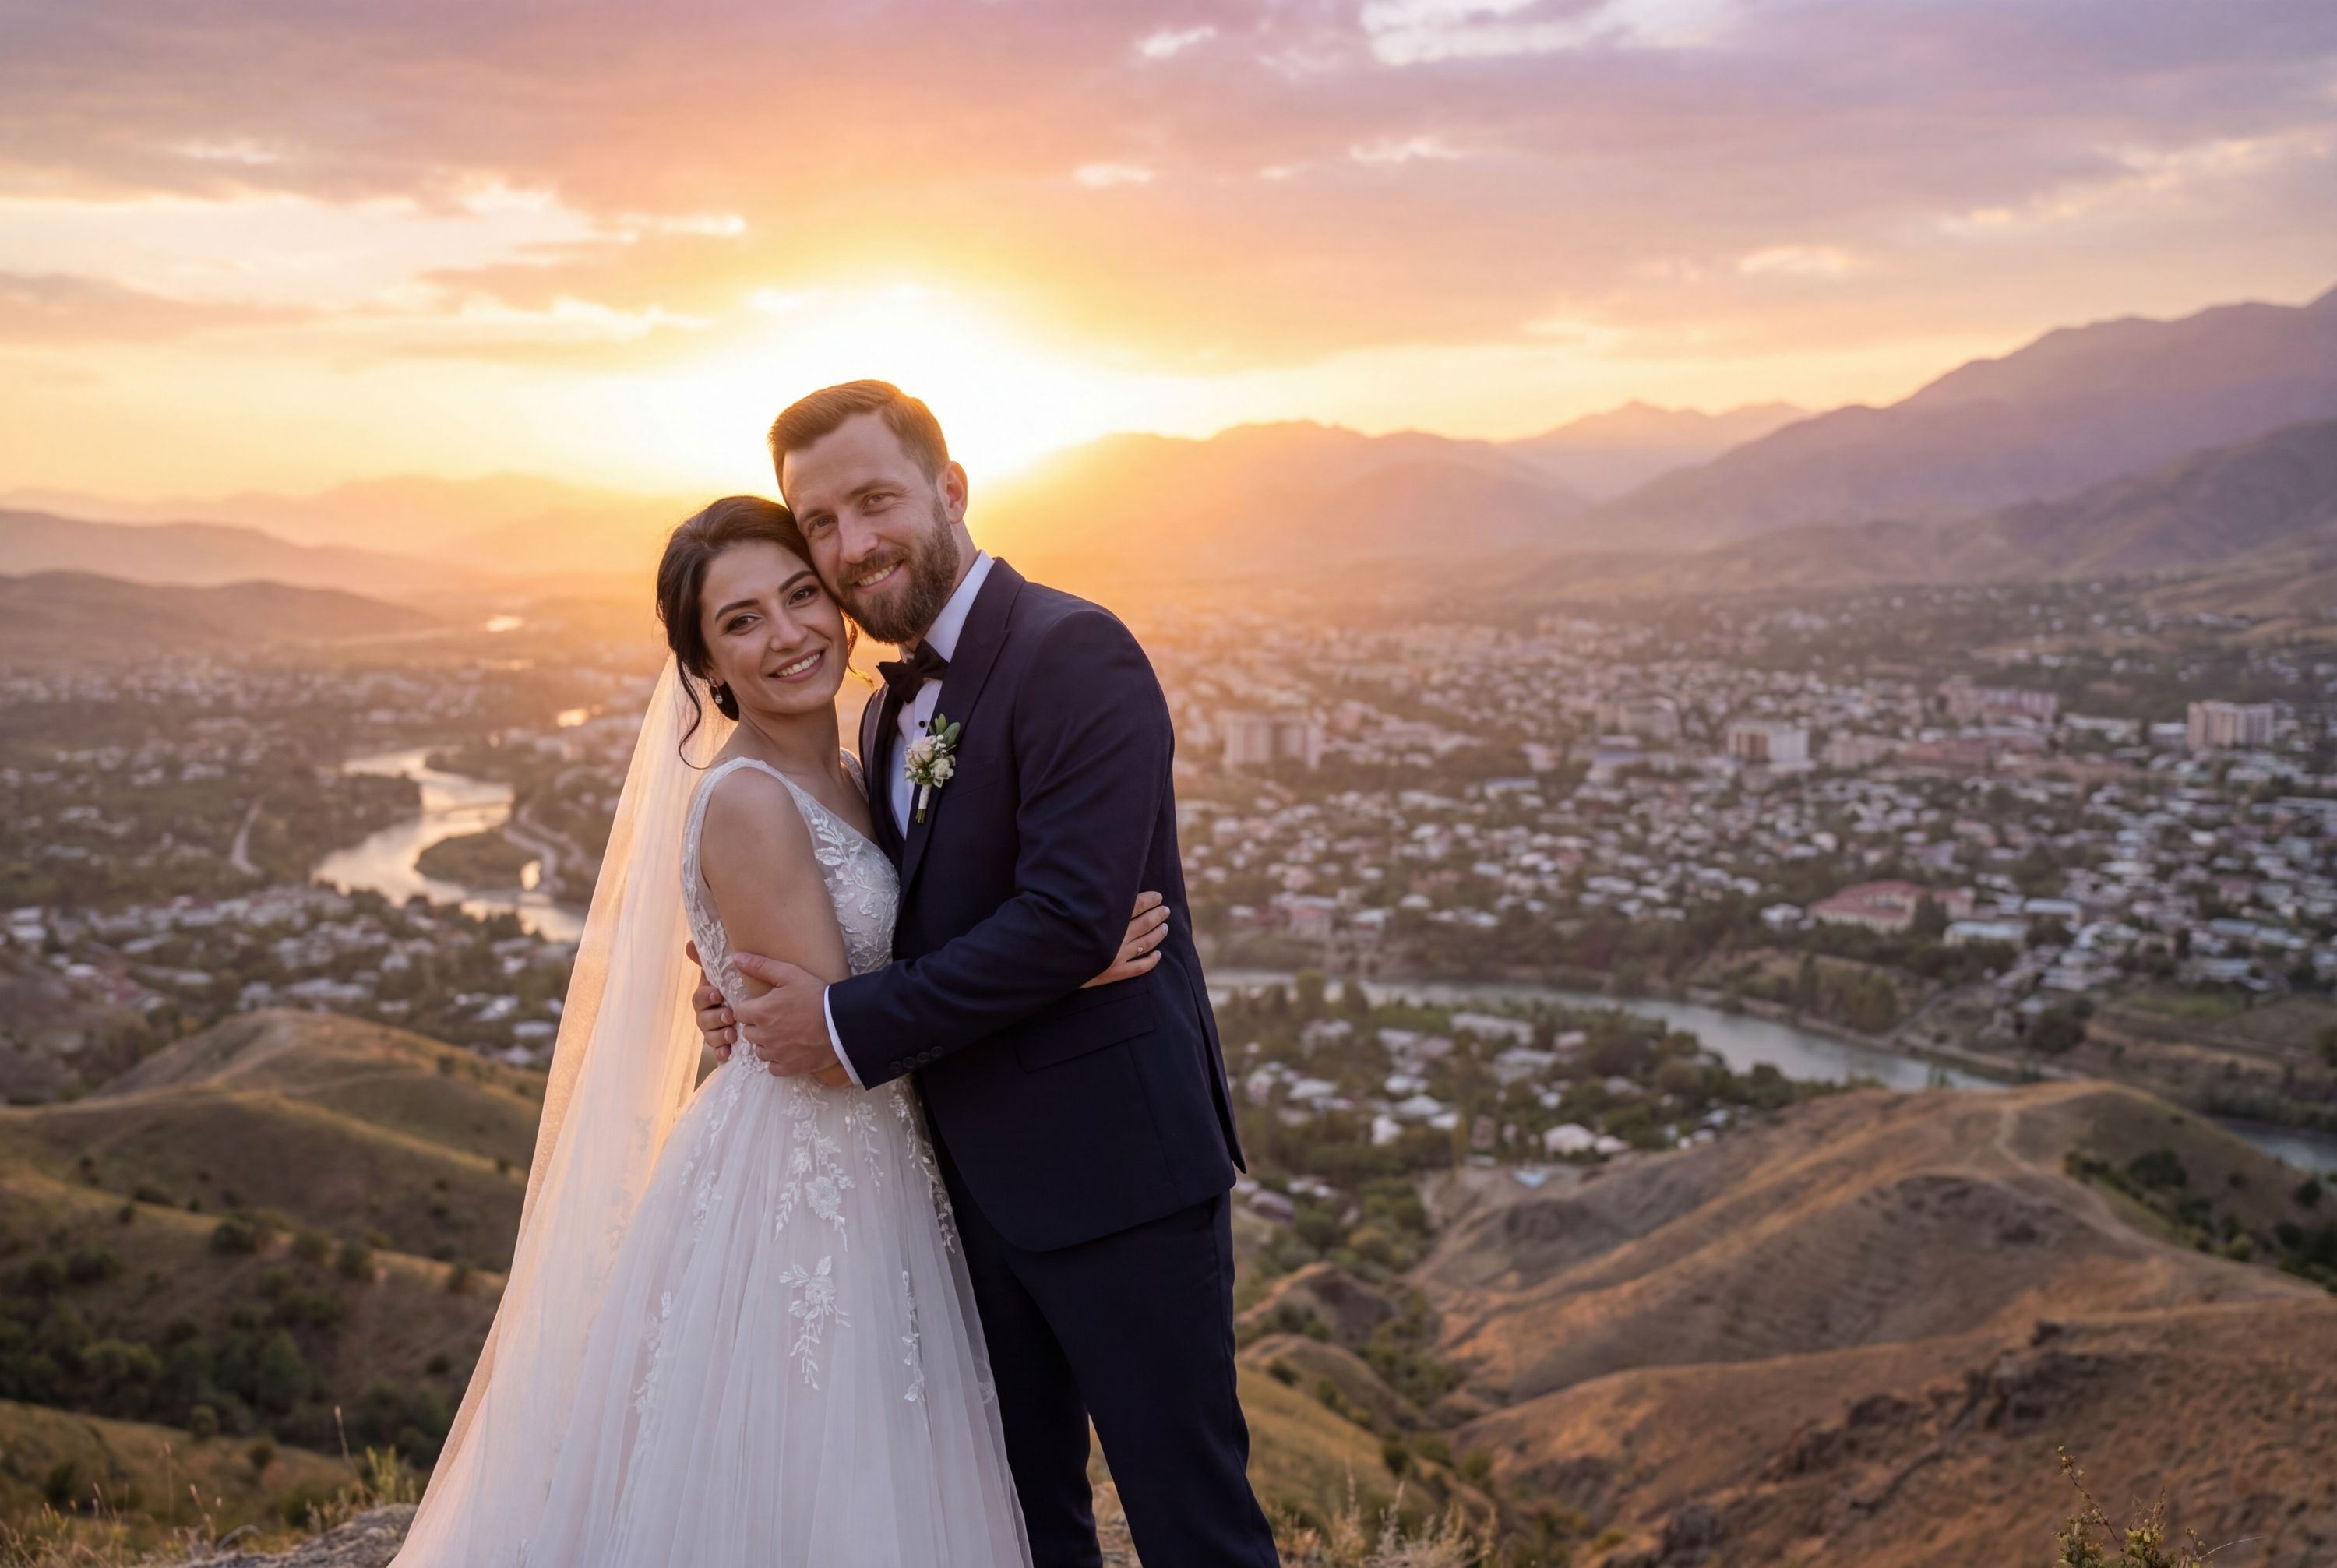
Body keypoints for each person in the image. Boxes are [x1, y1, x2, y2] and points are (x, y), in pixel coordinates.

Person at [393, 497, 1167, 1566]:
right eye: (743, 620)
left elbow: (854, 989)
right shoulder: (751, 802)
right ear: (706, 665)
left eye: (803, 594)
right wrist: (1059, 962)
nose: (790, 632)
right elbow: (839, 1035)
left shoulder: (863, 762)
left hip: (899, 1159)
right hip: (818, 1180)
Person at [693, 382, 1278, 1566]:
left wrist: (845, 1023)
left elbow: (1069, 915)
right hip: (961, 1190)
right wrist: (742, 992)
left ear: (950, 490)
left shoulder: (1074, 650)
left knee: (1192, 1519)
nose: (853, 546)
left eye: (874, 501)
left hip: (1117, 1178)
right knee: (1021, 1523)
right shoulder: (881, 716)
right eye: (821, 525)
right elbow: (926, 923)